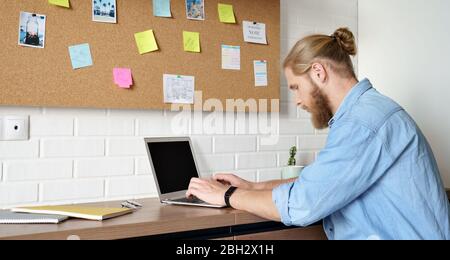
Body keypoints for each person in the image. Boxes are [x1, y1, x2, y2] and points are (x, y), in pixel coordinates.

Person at [186, 27, 450, 240]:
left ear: (318, 71)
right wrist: (252, 187)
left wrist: (226, 196)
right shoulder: (364, 113)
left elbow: (302, 204)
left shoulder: (362, 122)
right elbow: (316, 184)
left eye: (296, 87)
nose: (297, 100)